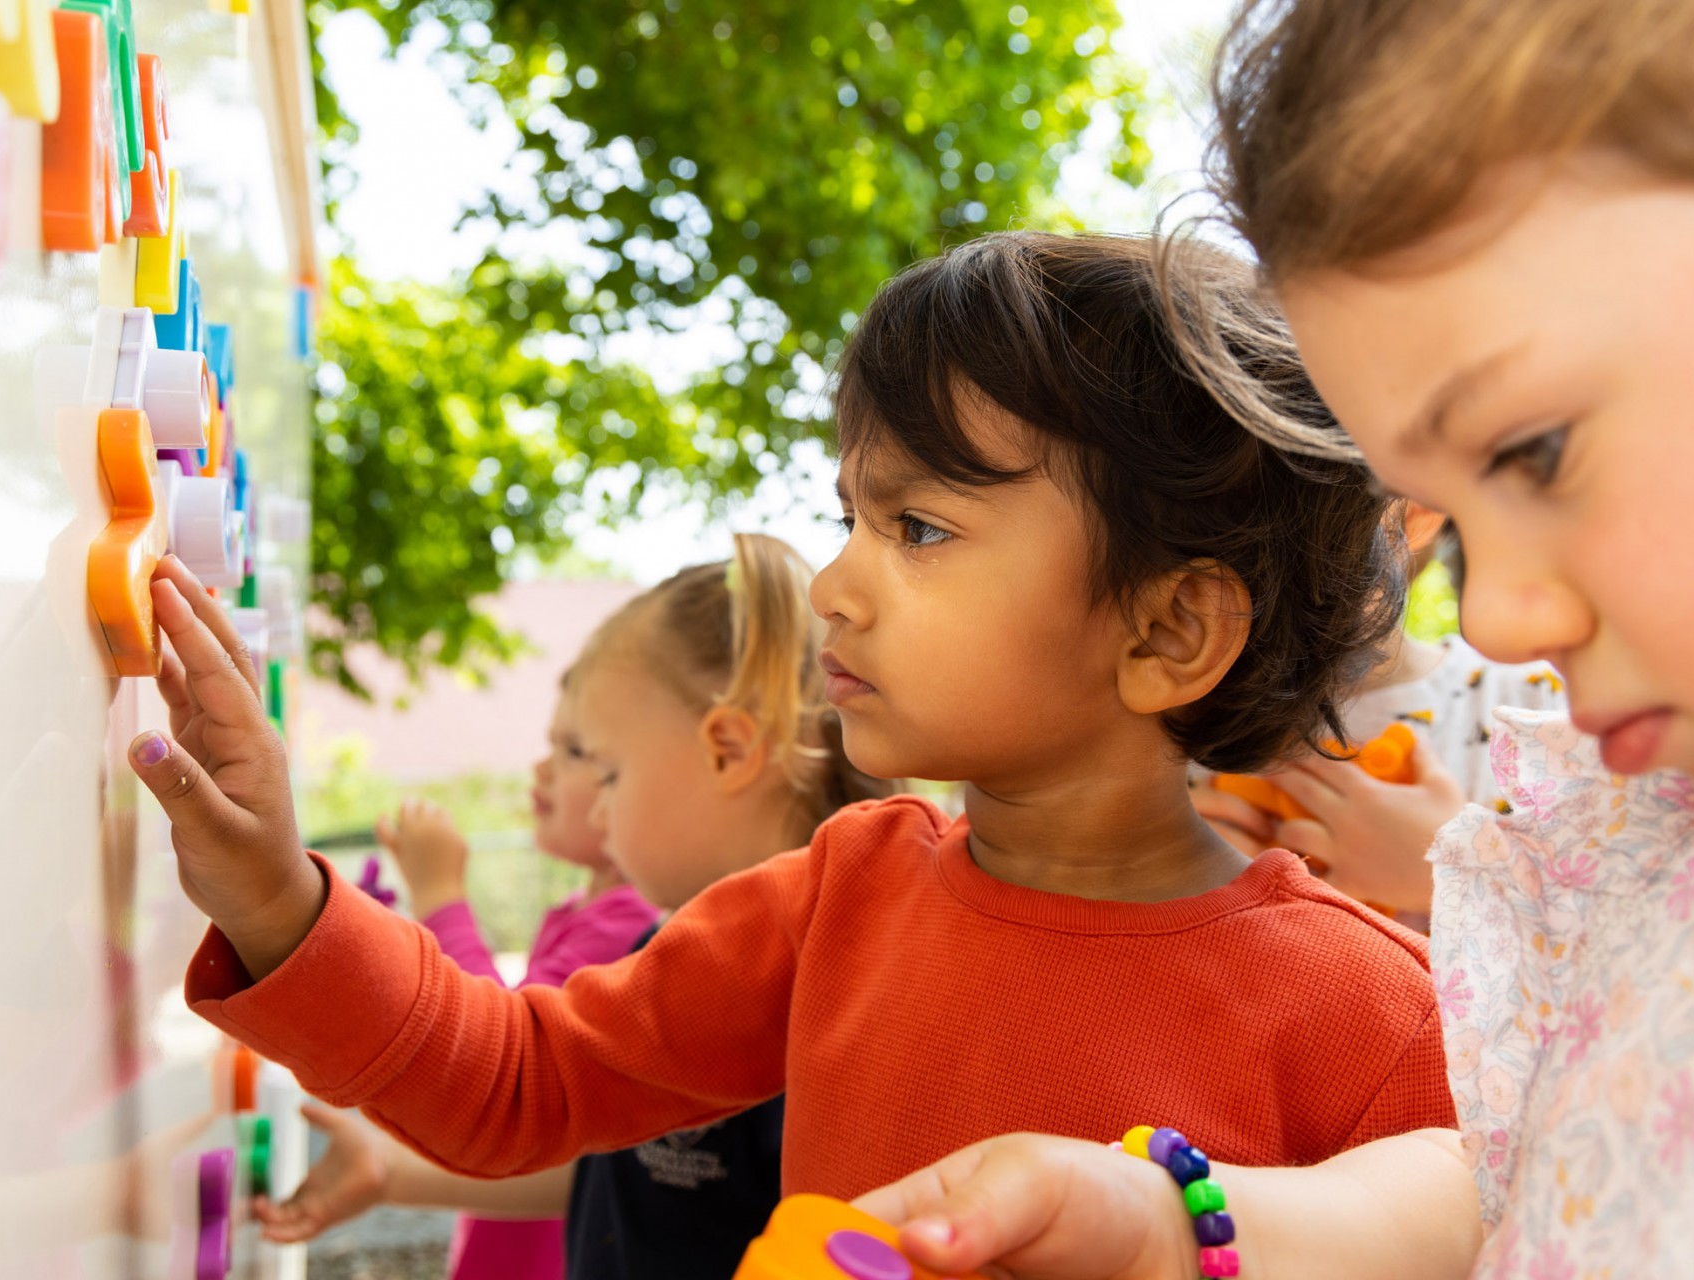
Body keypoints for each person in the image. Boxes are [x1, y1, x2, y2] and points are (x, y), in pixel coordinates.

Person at [126, 231, 1457, 1218]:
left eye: (919, 528)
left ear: (1167, 631)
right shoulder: (843, 901)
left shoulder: (1375, 1020)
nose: (834, 585)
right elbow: (516, 1085)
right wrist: (276, 903)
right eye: (851, 518)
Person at [853, 1, 1694, 1274]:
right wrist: (1167, 1229)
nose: (1502, 609)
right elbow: (1507, 1179)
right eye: (1455, 520)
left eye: (1536, 447)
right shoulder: (1655, 848)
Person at [258, 535, 883, 1277]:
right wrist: (393, 1175)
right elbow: (602, 1153)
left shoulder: (827, 1000)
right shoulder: (665, 947)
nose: (599, 812)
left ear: (728, 751)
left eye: (607, 772)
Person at [333, 682, 659, 1280]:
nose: (541, 766)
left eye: (574, 750)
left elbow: (499, 1065)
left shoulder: (628, 925)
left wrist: (440, 894)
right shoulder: (579, 909)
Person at [1193, 509, 1565, 927]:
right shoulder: (1171, 731)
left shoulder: (1538, 705)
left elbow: (1623, 955)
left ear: (1414, 511)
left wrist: (1459, 870)